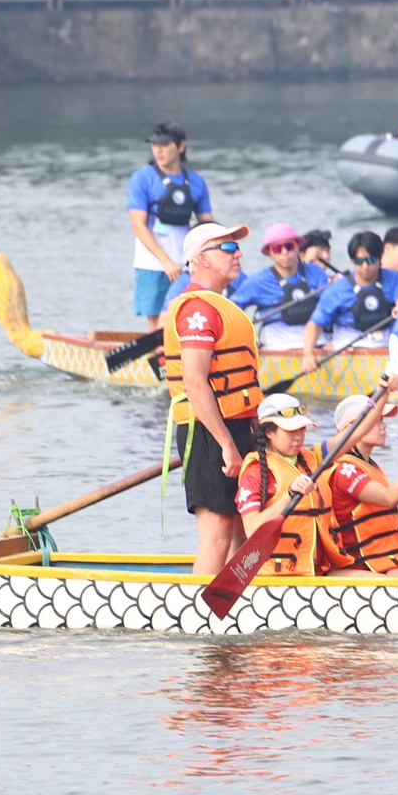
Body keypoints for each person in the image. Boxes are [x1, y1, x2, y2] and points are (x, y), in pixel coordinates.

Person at [162, 223, 264, 578]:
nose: (237, 253)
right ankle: (198, 616)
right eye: (227, 247)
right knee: (218, 532)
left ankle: (237, 609)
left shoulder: (219, 305)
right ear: (201, 258)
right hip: (208, 431)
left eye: (236, 246)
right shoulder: (196, 310)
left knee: (242, 527)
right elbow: (194, 382)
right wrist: (226, 445)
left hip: (236, 427)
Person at [320, 389, 398, 575]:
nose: (384, 426)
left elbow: (389, 521)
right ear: (353, 427)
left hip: (386, 562)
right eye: (377, 420)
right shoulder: (344, 470)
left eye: (383, 420)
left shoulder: (371, 467)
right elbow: (389, 498)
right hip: (364, 567)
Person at [234, 393, 337, 577]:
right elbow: (251, 529)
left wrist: (381, 394)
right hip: (277, 577)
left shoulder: (310, 458)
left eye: (302, 429)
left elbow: (352, 435)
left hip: (316, 571)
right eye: (291, 431)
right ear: (268, 432)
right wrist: (289, 495)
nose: (299, 437)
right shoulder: (254, 472)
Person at [128, 121, 213, 327]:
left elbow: (208, 226)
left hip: (187, 262)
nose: (158, 150)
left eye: (165, 145)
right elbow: (138, 226)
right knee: (158, 322)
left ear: (181, 146)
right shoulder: (141, 179)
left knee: (192, 316)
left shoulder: (196, 181)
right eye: (155, 144)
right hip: (153, 262)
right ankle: (158, 356)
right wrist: (165, 261)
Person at [304, 230, 398, 371]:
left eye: (370, 260)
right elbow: (315, 324)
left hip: (386, 350)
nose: (365, 267)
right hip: (347, 352)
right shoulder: (338, 289)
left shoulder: (395, 279)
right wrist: (308, 354)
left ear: (380, 258)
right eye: (359, 261)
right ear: (352, 261)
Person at [233, 223, 332, 352]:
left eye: (289, 246)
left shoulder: (317, 273)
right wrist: (252, 344)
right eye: (277, 249)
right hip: (278, 349)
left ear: (297, 247)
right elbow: (231, 312)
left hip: (319, 345)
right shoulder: (257, 282)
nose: (285, 252)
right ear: (269, 253)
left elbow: (334, 308)